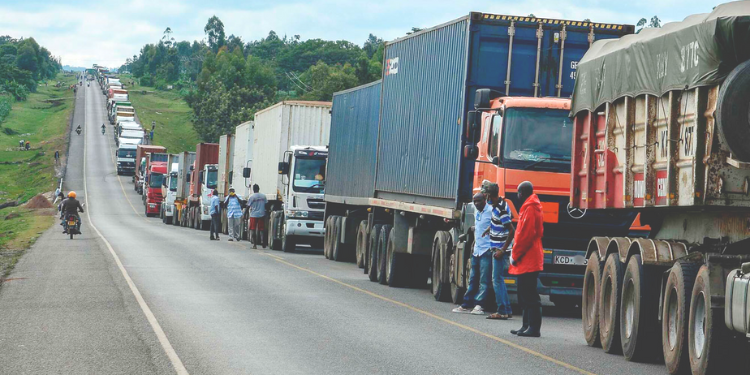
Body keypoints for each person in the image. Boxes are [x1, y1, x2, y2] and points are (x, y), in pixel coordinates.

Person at [509, 181, 544, 337]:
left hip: (528, 258)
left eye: (518, 192)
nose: (517, 195)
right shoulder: (529, 207)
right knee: (523, 293)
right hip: (527, 258)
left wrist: (515, 255)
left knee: (529, 294)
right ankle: (526, 325)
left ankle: (534, 328)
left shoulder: (530, 208)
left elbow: (525, 236)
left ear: (522, 193)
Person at [452, 192, 493, 315]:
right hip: (477, 250)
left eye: (478, 201)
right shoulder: (477, 211)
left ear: (485, 199)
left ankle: (479, 305)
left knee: (484, 280)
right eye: (475, 201)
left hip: (486, 250)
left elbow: (499, 225)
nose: (476, 204)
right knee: (473, 279)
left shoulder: (491, 211)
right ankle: (466, 304)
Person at [483, 182, 515, 320]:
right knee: (499, 280)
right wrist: (489, 229)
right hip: (497, 247)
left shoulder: (501, 209)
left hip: (499, 249)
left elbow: (511, 230)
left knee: (496, 280)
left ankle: (501, 311)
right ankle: (507, 309)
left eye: (486, 194)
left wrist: (502, 250)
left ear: (490, 195)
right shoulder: (499, 205)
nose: (485, 197)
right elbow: (505, 220)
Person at [247, 184, 268, 249]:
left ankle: (255, 245)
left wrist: (244, 214)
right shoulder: (263, 196)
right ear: (259, 189)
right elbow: (266, 205)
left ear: (253, 189)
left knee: (253, 229)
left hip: (253, 215)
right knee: (261, 229)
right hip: (261, 214)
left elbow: (248, 206)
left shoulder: (252, 197)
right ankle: (262, 241)